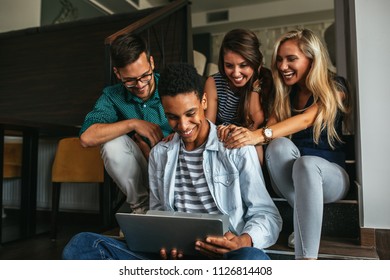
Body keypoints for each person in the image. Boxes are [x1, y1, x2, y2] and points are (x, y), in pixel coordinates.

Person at [62, 63, 282, 260]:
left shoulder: (235, 147)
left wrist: (242, 240)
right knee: (81, 245)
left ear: (204, 101)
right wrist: (163, 244)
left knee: (253, 259)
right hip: (178, 256)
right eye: (173, 117)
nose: (184, 126)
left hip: (223, 256)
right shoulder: (160, 154)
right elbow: (159, 212)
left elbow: (268, 215)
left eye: (190, 113)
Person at [217, 28, 351, 259]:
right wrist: (244, 132)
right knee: (278, 145)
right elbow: (268, 128)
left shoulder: (335, 87)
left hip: (331, 178)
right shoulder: (285, 93)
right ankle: (303, 220)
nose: (283, 66)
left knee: (307, 164)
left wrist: (258, 135)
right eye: (279, 60)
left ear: (312, 59)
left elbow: (307, 119)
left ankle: (306, 261)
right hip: (292, 182)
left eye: (291, 59)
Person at [79, 33, 172, 213]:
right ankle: (142, 210)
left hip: (177, 170)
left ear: (152, 63)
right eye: (130, 80)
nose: (140, 85)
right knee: (111, 143)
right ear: (117, 73)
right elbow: (87, 137)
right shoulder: (113, 96)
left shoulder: (171, 85)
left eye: (145, 75)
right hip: (144, 171)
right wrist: (133, 124)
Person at [204, 29, 274, 165]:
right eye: (229, 66)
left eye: (243, 65)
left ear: (255, 63)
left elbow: (254, 123)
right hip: (223, 139)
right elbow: (208, 126)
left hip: (256, 141)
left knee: (252, 147)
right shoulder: (214, 83)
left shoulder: (266, 80)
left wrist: (255, 89)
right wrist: (227, 131)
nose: (236, 73)